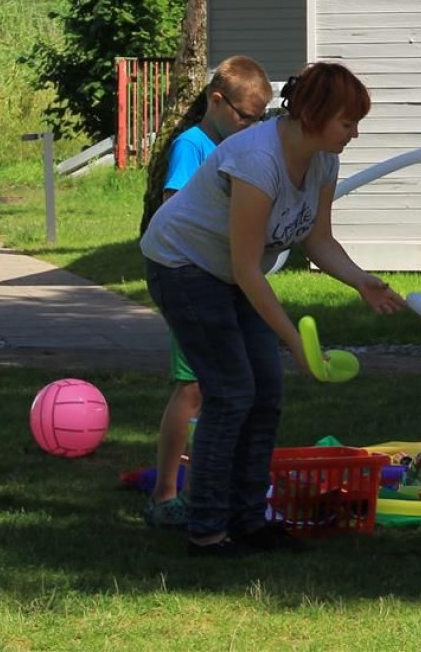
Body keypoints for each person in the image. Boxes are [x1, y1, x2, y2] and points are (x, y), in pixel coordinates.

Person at [140, 61, 405, 555]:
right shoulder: (257, 160)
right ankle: (208, 530)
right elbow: (246, 269)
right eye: (348, 122)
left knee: (267, 391)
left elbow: (318, 240)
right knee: (232, 392)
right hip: (184, 265)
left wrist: (361, 282)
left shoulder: (323, 160)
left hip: (231, 270)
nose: (355, 133)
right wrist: (296, 344)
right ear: (313, 115)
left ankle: (248, 521)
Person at [140, 56, 273, 530]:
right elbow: (174, 208)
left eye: (261, 119)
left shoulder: (234, 145)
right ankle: (167, 493)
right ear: (217, 102)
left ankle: (200, 486)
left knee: (209, 388)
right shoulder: (193, 146)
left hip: (217, 280)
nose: (251, 127)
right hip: (190, 278)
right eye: (245, 116)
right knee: (193, 388)